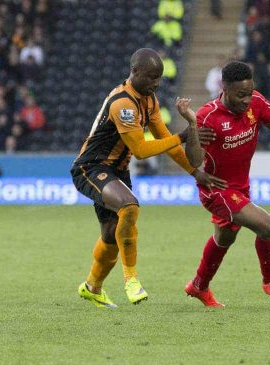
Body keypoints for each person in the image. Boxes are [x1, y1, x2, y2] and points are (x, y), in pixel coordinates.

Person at [70, 48, 224, 309]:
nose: (157, 83)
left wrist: (195, 172)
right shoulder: (122, 103)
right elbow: (141, 150)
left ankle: (92, 288)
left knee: (110, 236)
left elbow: (166, 140)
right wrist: (182, 136)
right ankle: (131, 279)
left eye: (160, 78)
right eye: (152, 77)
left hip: (117, 171)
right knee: (129, 206)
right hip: (91, 167)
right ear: (135, 72)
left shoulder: (149, 100)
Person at [183, 61, 270, 307]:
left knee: (225, 238)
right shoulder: (207, 116)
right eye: (240, 94)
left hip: (240, 186)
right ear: (225, 88)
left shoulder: (257, 102)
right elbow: (195, 160)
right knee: (268, 227)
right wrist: (193, 131)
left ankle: (199, 286)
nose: (246, 99)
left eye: (249, 92)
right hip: (217, 189)